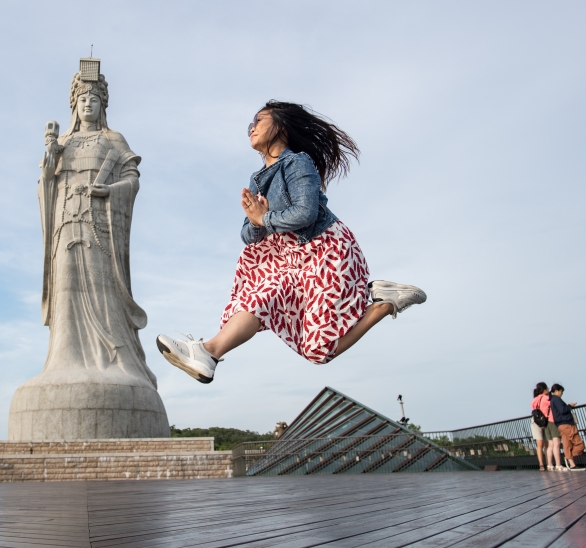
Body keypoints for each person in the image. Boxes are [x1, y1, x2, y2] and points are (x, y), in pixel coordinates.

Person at [156, 101, 427, 383]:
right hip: (291, 259)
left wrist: (264, 219)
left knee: (319, 350)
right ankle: (208, 353)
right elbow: (249, 235)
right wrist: (256, 220)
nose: (251, 127)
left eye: (258, 121)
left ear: (281, 127)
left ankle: (384, 303)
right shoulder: (258, 179)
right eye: (250, 124)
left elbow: (305, 213)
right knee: (258, 299)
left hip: (326, 250)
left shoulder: (297, 162)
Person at [550, 384, 586, 471]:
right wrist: (570, 406)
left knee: (567, 444)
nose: (562, 393)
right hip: (566, 424)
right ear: (557, 391)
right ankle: (569, 457)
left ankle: (572, 464)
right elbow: (562, 410)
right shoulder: (556, 399)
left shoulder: (552, 400)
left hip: (560, 425)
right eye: (561, 391)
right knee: (579, 444)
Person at [530, 382, 561, 471]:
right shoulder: (546, 398)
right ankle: (549, 464)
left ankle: (543, 465)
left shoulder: (535, 399)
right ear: (544, 390)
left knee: (540, 444)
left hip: (536, 420)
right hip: (545, 420)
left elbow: (532, 406)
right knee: (547, 443)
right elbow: (553, 405)